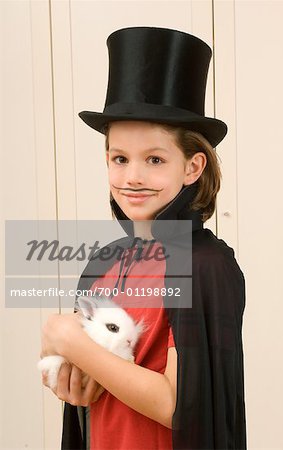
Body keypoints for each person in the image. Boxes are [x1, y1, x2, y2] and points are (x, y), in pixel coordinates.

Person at [40, 27, 247, 449]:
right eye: (120, 158)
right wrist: (66, 375)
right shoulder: (103, 262)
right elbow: (85, 381)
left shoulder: (205, 265)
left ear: (192, 168)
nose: (132, 177)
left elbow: (180, 407)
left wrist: (68, 339)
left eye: (154, 159)